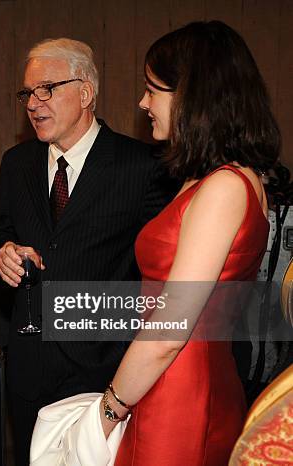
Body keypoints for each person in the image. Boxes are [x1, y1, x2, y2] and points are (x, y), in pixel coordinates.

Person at [96, 21, 281, 466]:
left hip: (178, 397)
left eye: (152, 90)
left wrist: (108, 409)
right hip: (174, 383)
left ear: (193, 97)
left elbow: (168, 331)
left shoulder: (224, 187)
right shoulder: (210, 180)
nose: (142, 103)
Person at [0, 37, 174, 465]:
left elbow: (161, 275)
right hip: (29, 365)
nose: (33, 104)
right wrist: (4, 252)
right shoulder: (16, 163)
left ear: (85, 92)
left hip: (103, 371)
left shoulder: (142, 166)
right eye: (27, 93)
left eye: (46, 89)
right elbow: (1, 234)